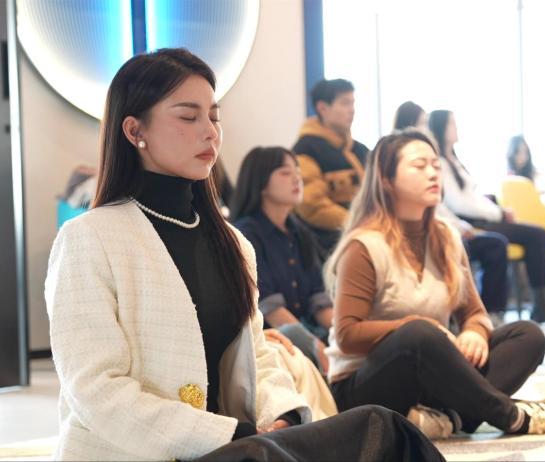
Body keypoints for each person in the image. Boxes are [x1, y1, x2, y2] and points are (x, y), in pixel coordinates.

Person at [44, 48, 444, 461]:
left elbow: (258, 357)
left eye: (214, 117)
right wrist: (235, 434)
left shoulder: (232, 243)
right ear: (134, 130)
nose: (210, 132)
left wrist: (283, 417)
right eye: (189, 117)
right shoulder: (89, 238)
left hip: (239, 446)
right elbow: (96, 390)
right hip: (155, 453)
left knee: (382, 426)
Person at [324, 129, 545, 439]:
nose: (433, 173)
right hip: (365, 386)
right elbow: (348, 335)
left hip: (430, 383)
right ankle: (511, 416)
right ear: (386, 180)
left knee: (527, 335)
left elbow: (474, 313)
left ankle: (447, 419)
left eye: (435, 165)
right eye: (419, 166)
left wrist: (474, 332)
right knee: (419, 333)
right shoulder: (363, 246)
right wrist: (414, 325)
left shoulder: (446, 236)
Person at [429, 110, 545, 326]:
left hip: (484, 218)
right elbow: (460, 204)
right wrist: (499, 213)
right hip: (473, 222)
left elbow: (474, 197)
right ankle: (538, 308)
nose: (456, 128)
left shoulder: (454, 160)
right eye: (452, 124)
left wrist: (500, 210)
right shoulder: (440, 162)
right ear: (441, 128)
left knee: (540, 235)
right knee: (530, 237)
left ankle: (544, 304)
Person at [393, 101, 510, 319]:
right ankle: (471, 315)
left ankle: (481, 315)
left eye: (434, 167)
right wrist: (464, 224)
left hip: (447, 225)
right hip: (432, 229)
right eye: (423, 123)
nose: (431, 173)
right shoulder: (400, 161)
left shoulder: (448, 159)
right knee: (470, 243)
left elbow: (440, 207)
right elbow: (454, 205)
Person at [232, 146, 332, 373]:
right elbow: (270, 310)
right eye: (286, 172)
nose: (297, 178)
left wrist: (343, 337)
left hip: (309, 334)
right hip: (272, 344)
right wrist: (317, 347)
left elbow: (319, 300)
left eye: (298, 172)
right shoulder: (246, 234)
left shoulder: (301, 232)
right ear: (261, 183)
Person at [292, 78, 369, 256]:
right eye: (345, 103)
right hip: (328, 247)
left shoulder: (361, 150)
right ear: (322, 108)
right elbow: (312, 205)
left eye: (353, 103)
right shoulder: (306, 149)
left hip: (365, 237)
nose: (352, 109)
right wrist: (358, 223)